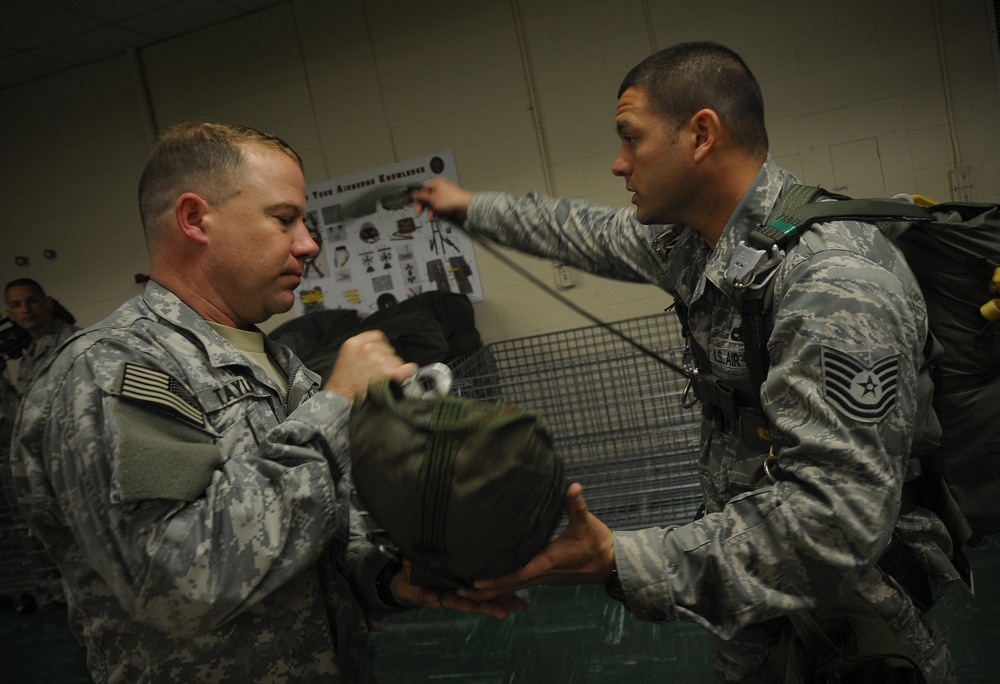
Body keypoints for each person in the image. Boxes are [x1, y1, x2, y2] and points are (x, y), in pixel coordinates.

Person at [413, 42, 960, 683]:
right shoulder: (699, 244)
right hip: (747, 600)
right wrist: (465, 206)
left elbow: (836, 523)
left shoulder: (833, 282)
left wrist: (621, 559)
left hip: (855, 622)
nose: (619, 164)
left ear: (702, 134)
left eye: (631, 138)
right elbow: (574, 228)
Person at [10, 122, 521, 684]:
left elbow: (309, 545)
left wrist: (388, 579)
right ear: (194, 219)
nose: (308, 243)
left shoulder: (278, 362)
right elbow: (178, 580)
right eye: (284, 220)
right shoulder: (115, 370)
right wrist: (337, 407)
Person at [1, 279, 79, 425]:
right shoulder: (31, 355)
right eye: (16, 305)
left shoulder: (73, 341)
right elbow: (22, 415)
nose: (25, 309)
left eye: (32, 301)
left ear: (48, 303)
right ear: (10, 314)